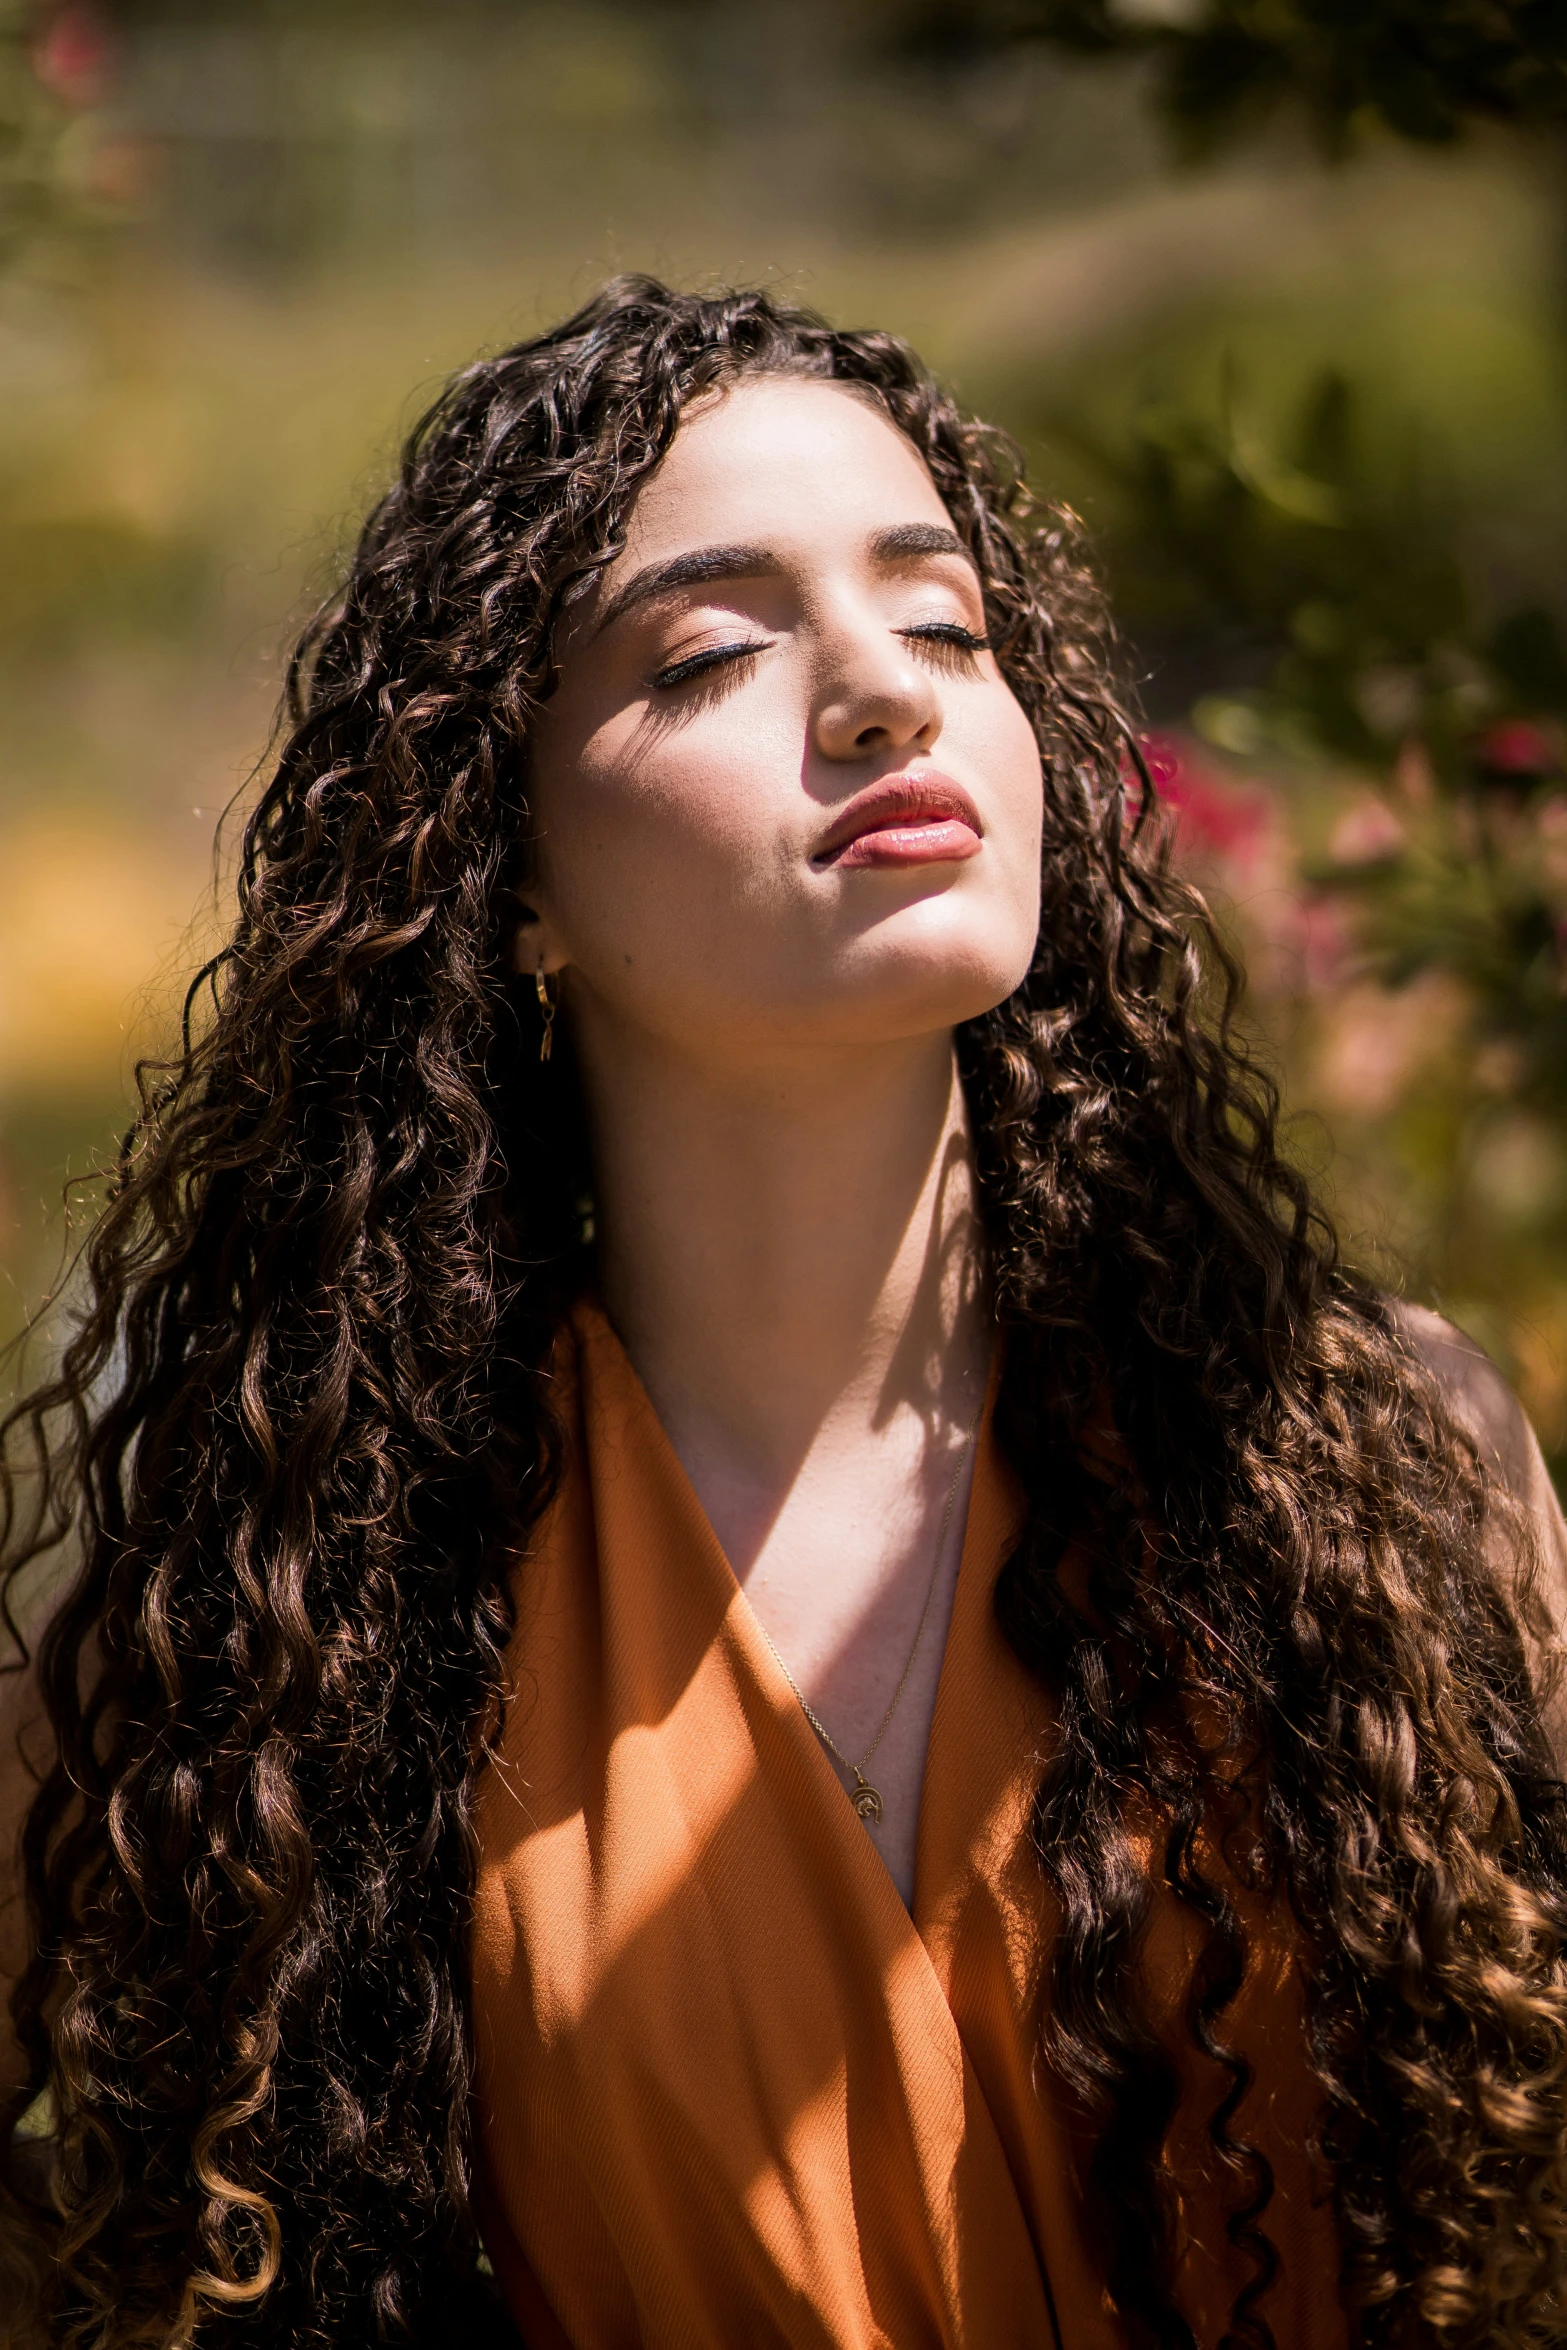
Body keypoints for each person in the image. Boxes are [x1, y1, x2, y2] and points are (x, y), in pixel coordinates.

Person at [2, 278, 1566, 2350]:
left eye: (948, 626)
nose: (884, 693)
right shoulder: (289, 1595)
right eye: (717, 648)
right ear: (507, 871)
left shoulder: (1366, 1464)